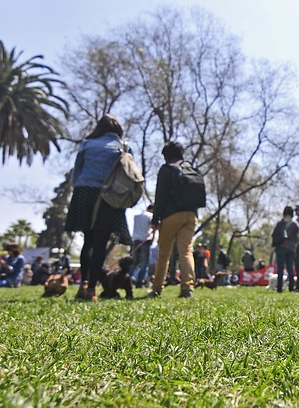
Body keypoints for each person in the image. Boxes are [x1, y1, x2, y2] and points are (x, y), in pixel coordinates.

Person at [64, 114, 133, 301]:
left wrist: (81, 187)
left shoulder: (87, 144)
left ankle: (82, 284)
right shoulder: (124, 147)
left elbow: (76, 173)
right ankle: (92, 289)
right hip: (109, 195)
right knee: (100, 243)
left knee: (87, 241)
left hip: (85, 192)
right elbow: (129, 175)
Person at [149, 141, 199, 298]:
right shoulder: (191, 168)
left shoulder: (166, 169)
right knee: (186, 251)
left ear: (166, 155)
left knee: (164, 253)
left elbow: (161, 195)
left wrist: (155, 219)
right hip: (191, 215)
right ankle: (187, 288)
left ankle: (157, 288)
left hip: (171, 215)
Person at [271, 206, 299, 292]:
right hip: (291, 248)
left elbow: (274, 235)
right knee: (290, 268)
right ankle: (291, 287)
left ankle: (279, 288)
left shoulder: (280, 224)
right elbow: (297, 238)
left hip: (281, 248)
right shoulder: (295, 224)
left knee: (280, 269)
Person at [132, 204, 155, 288]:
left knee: (134, 263)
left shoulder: (136, 216)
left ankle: (127, 279)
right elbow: (154, 227)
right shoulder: (150, 216)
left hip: (135, 240)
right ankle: (139, 283)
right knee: (144, 263)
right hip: (145, 240)